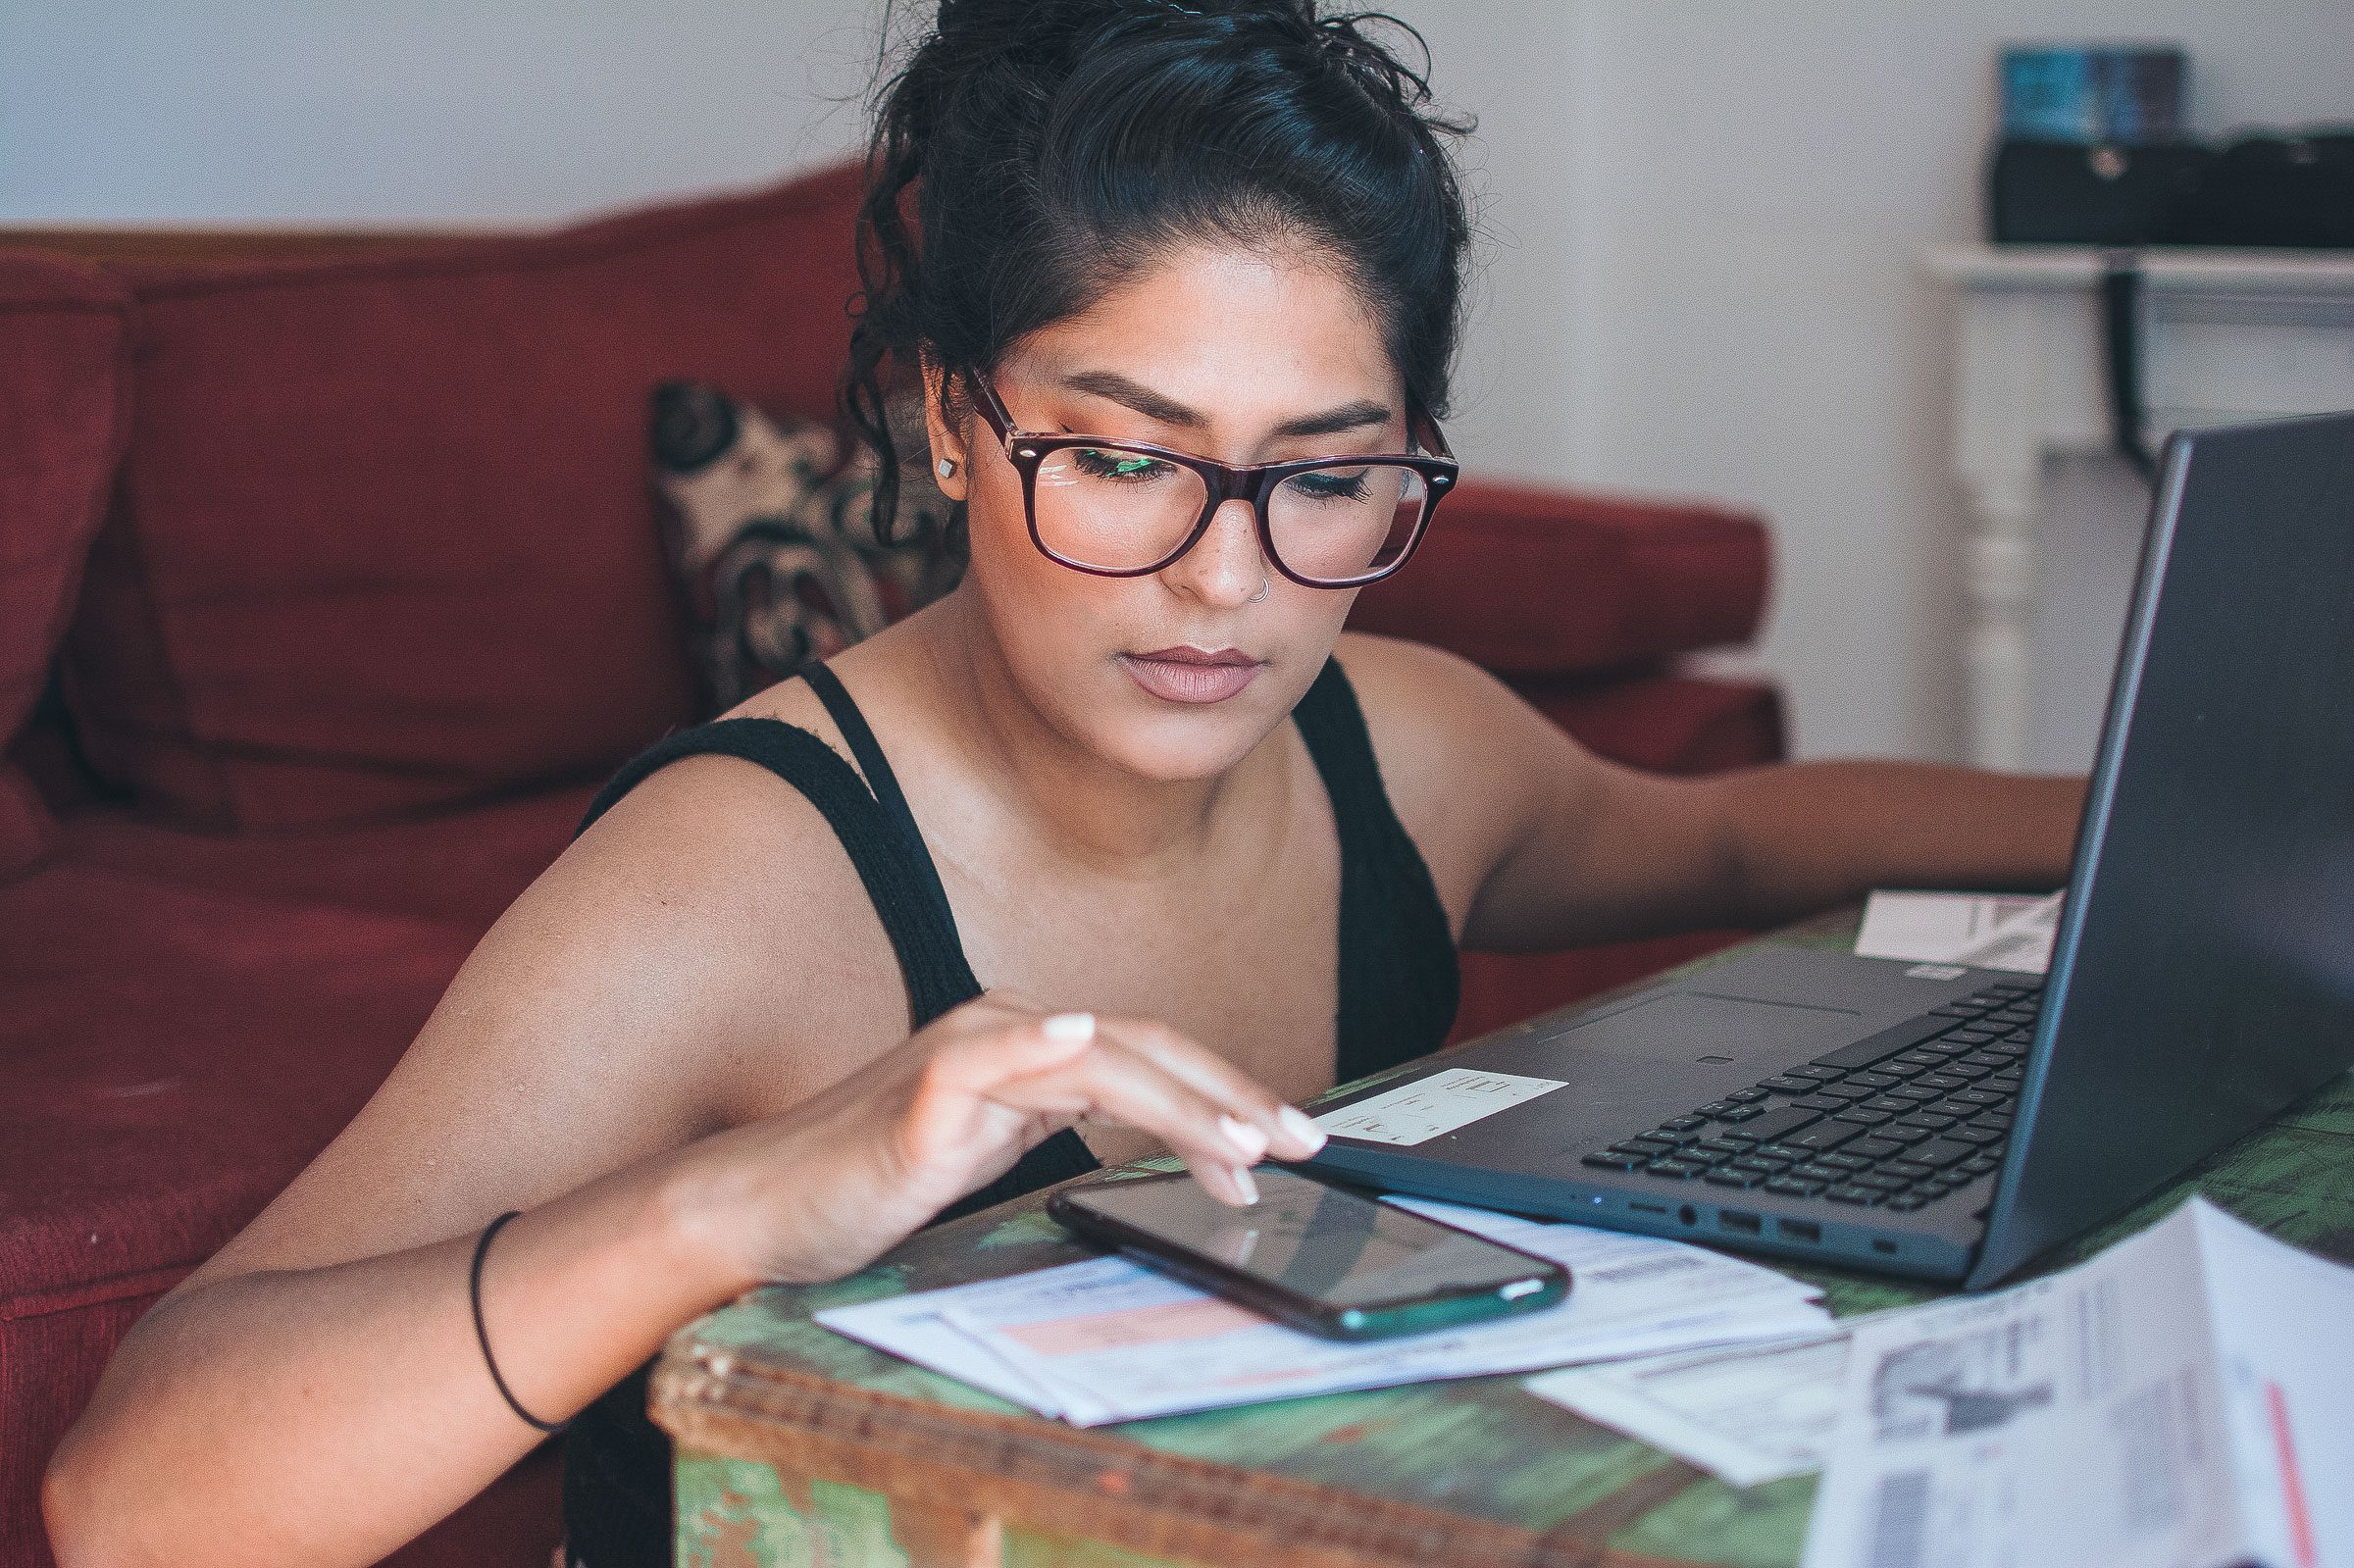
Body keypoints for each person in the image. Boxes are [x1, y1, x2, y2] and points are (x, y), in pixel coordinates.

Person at [42, 3, 2086, 1565]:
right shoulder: (731, 883)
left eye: (1323, 467)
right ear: (951, 423)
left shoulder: (1399, 747)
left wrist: (2138, 820)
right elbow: (132, 1494)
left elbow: (1732, 826)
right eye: (1121, 453)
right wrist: (729, 1200)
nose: (1226, 573)